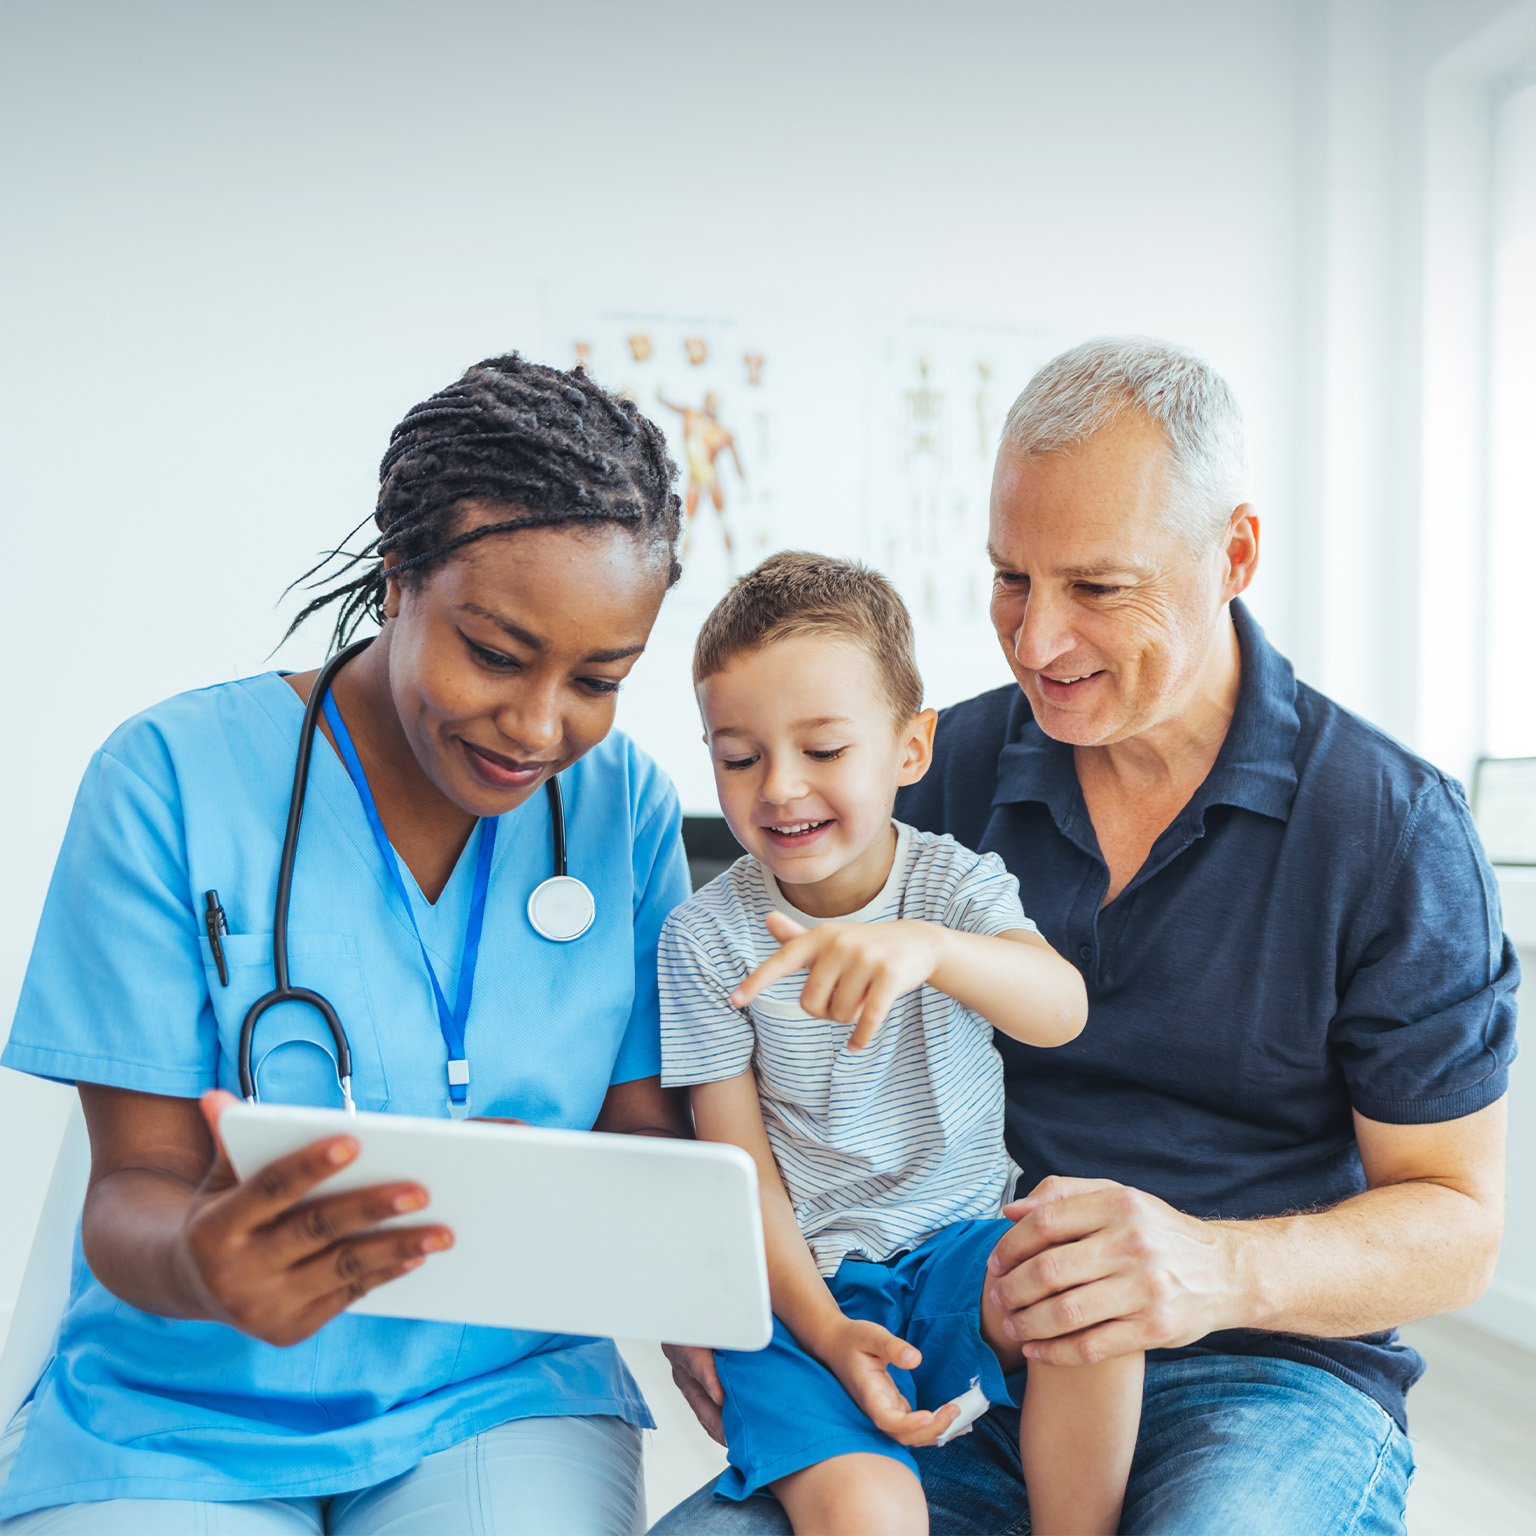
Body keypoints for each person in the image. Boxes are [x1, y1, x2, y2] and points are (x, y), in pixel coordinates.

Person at [656, 337, 1517, 1536]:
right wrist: (717, 1288)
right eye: (1012, 577)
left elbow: (1459, 1226)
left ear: (1236, 555)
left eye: (1097, 588)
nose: (1036, 639)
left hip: (1262, 1375)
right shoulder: (935, 773)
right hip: (959, 1343)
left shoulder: (1387, 827)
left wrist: (1211, 1269)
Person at [0, 355, 694, 1534]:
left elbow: (657, 1149)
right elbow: (132, 1189)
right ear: (397, 581)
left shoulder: (621, 808)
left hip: (501, 1392)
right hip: (182, 1407)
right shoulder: (168, 780)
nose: (538, 726)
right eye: (494, 652)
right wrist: (200, 1262)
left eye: (598, 679)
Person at [658, 552, 1140, 1536]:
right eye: (739, 757)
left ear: (909, 749)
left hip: (961, 1253)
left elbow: (1058, 1008)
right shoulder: (704, 939)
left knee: (1094, 1285)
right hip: (800, 1297)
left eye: (824, 750)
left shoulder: (954, 888)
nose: (780, 789)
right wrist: (827, 1329)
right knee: (869, 1513)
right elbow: (737, 1171)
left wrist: (927, 950)